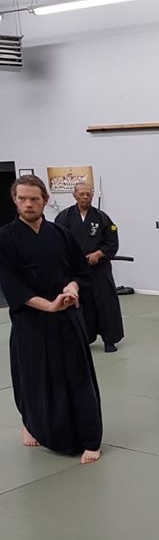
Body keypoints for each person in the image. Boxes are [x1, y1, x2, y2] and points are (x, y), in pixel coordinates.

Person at [0, 176, 102, 464]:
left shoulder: (61, 234)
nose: (29, 204)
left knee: (77, 377)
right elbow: (12, 286)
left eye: (34, 198)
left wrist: (73, 287)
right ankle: (32, 423)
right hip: (30, 322)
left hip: (66, 319)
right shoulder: (5, 238)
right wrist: (48, 305)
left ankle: (90, 438)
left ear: (45, 200)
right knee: (33, 378)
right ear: (15, 200)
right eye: (23, 199)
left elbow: (80, 271)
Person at [55, 181, 124, 352]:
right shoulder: (63, 217)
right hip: (76, 270)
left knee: (105, 303)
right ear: (74, 195)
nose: (85, 197)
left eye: (89, 194)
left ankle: (110, 340)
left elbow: (112, 240)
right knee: (80, 305)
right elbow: (57, 242)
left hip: (99, 269)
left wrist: (98, 254)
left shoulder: (102, 217)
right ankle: (83, 338)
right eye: (82, 194)